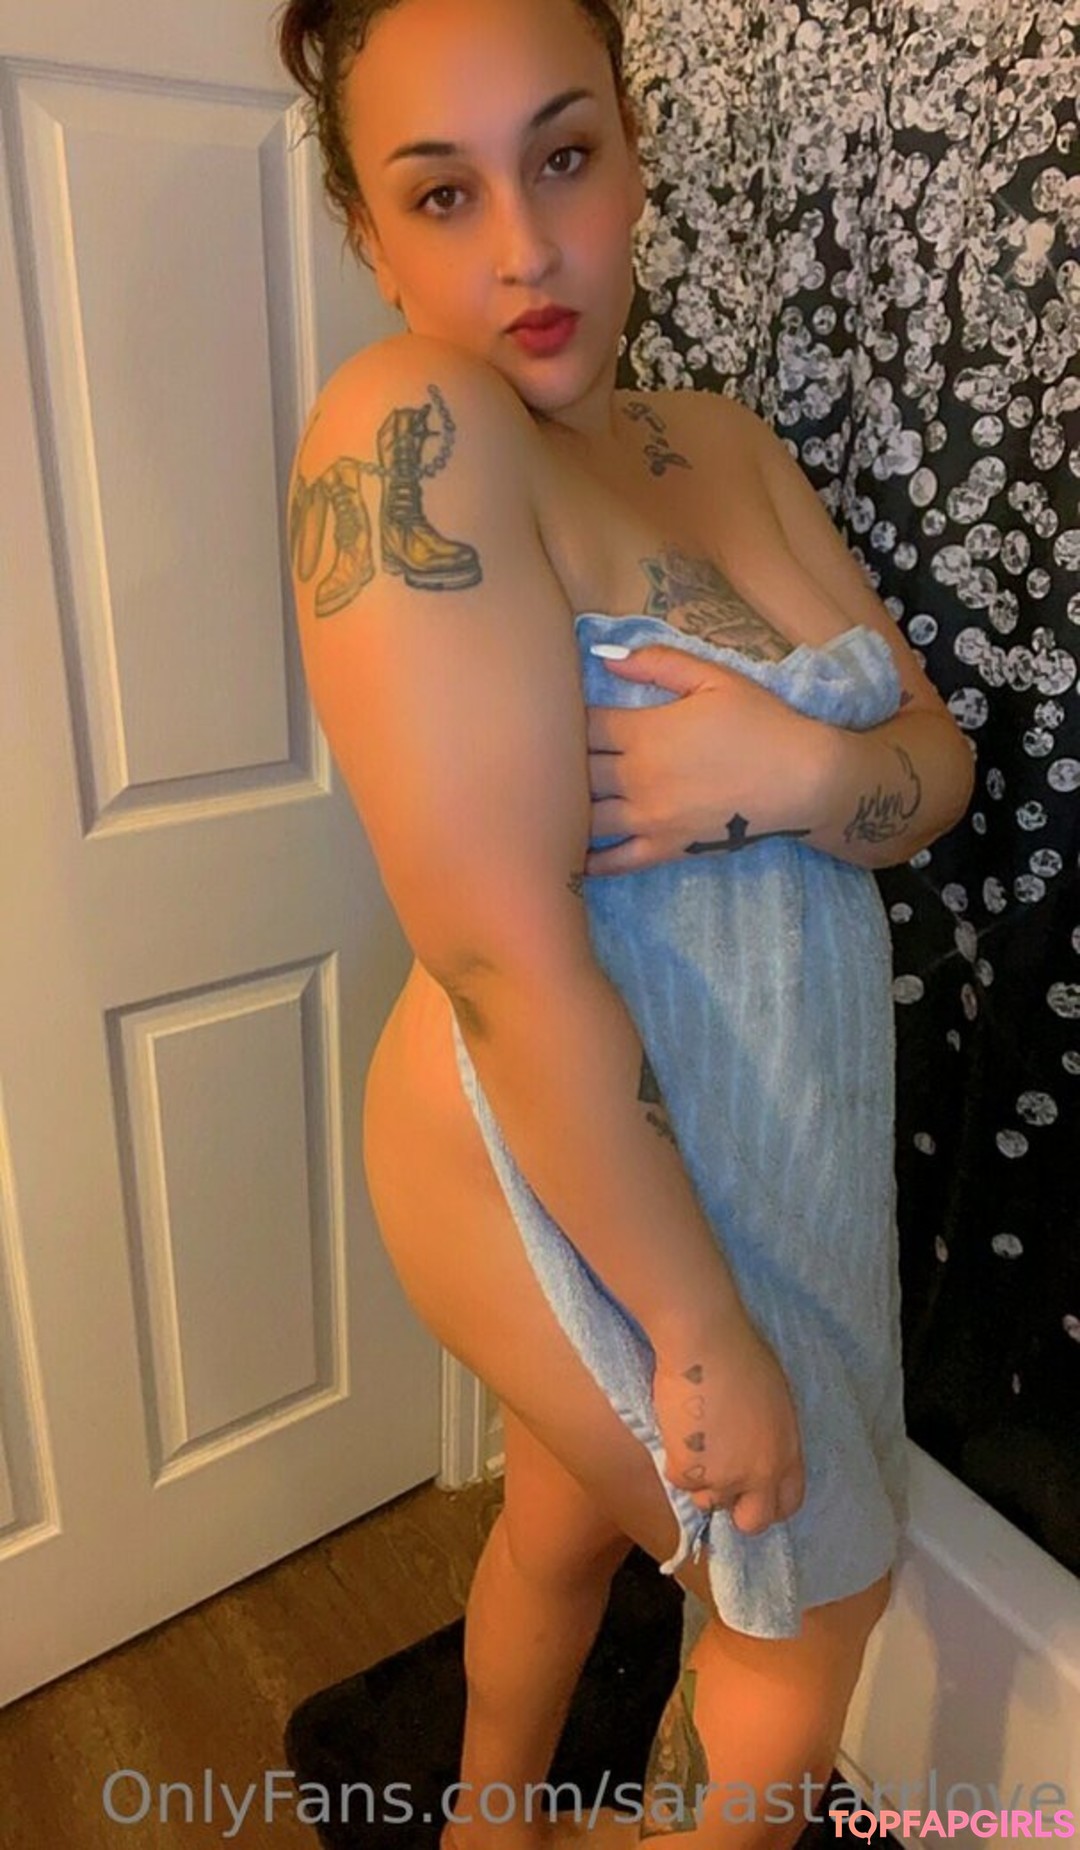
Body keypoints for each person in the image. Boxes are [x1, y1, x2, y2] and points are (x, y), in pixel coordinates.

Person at [275, 2, 974, 1846]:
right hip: (543, 1156)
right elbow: (499, 954)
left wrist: (802, 773)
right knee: (806, 1602)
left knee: (567, 1514)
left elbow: (936, 764)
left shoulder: (722, 446)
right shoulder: (413, 429)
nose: (526, 248)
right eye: (443, 194)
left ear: (634, 154)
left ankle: (487, 1821)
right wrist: (696, 1330)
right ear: (368, 233)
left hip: (766, 1132)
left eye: (565, 158)